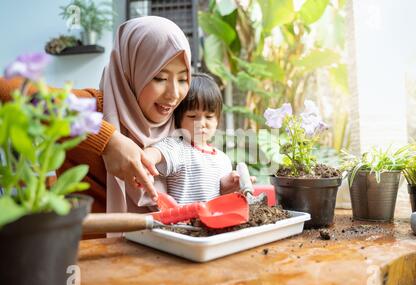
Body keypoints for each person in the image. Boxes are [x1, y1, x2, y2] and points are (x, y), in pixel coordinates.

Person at [0, 16, 242, 214]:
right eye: (159, 77)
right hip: (94, 253)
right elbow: (9, 87)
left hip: (167, 253)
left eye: (182, 79)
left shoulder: (176, 119)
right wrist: (109, 141)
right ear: (131, 71)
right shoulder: (92, 108)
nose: (174, 93)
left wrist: (225, 187)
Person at [144, 73, 233, 204]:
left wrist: (231, 185)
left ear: (218, 120)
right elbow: (154, 153)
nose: (202, 123)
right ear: (179, 118)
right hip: (182, 224)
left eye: (209, 117)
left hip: (214, 222)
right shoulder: (177, 146)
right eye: (192, 116)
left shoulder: (223, 159)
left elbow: (223, 195)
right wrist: (144, 163)